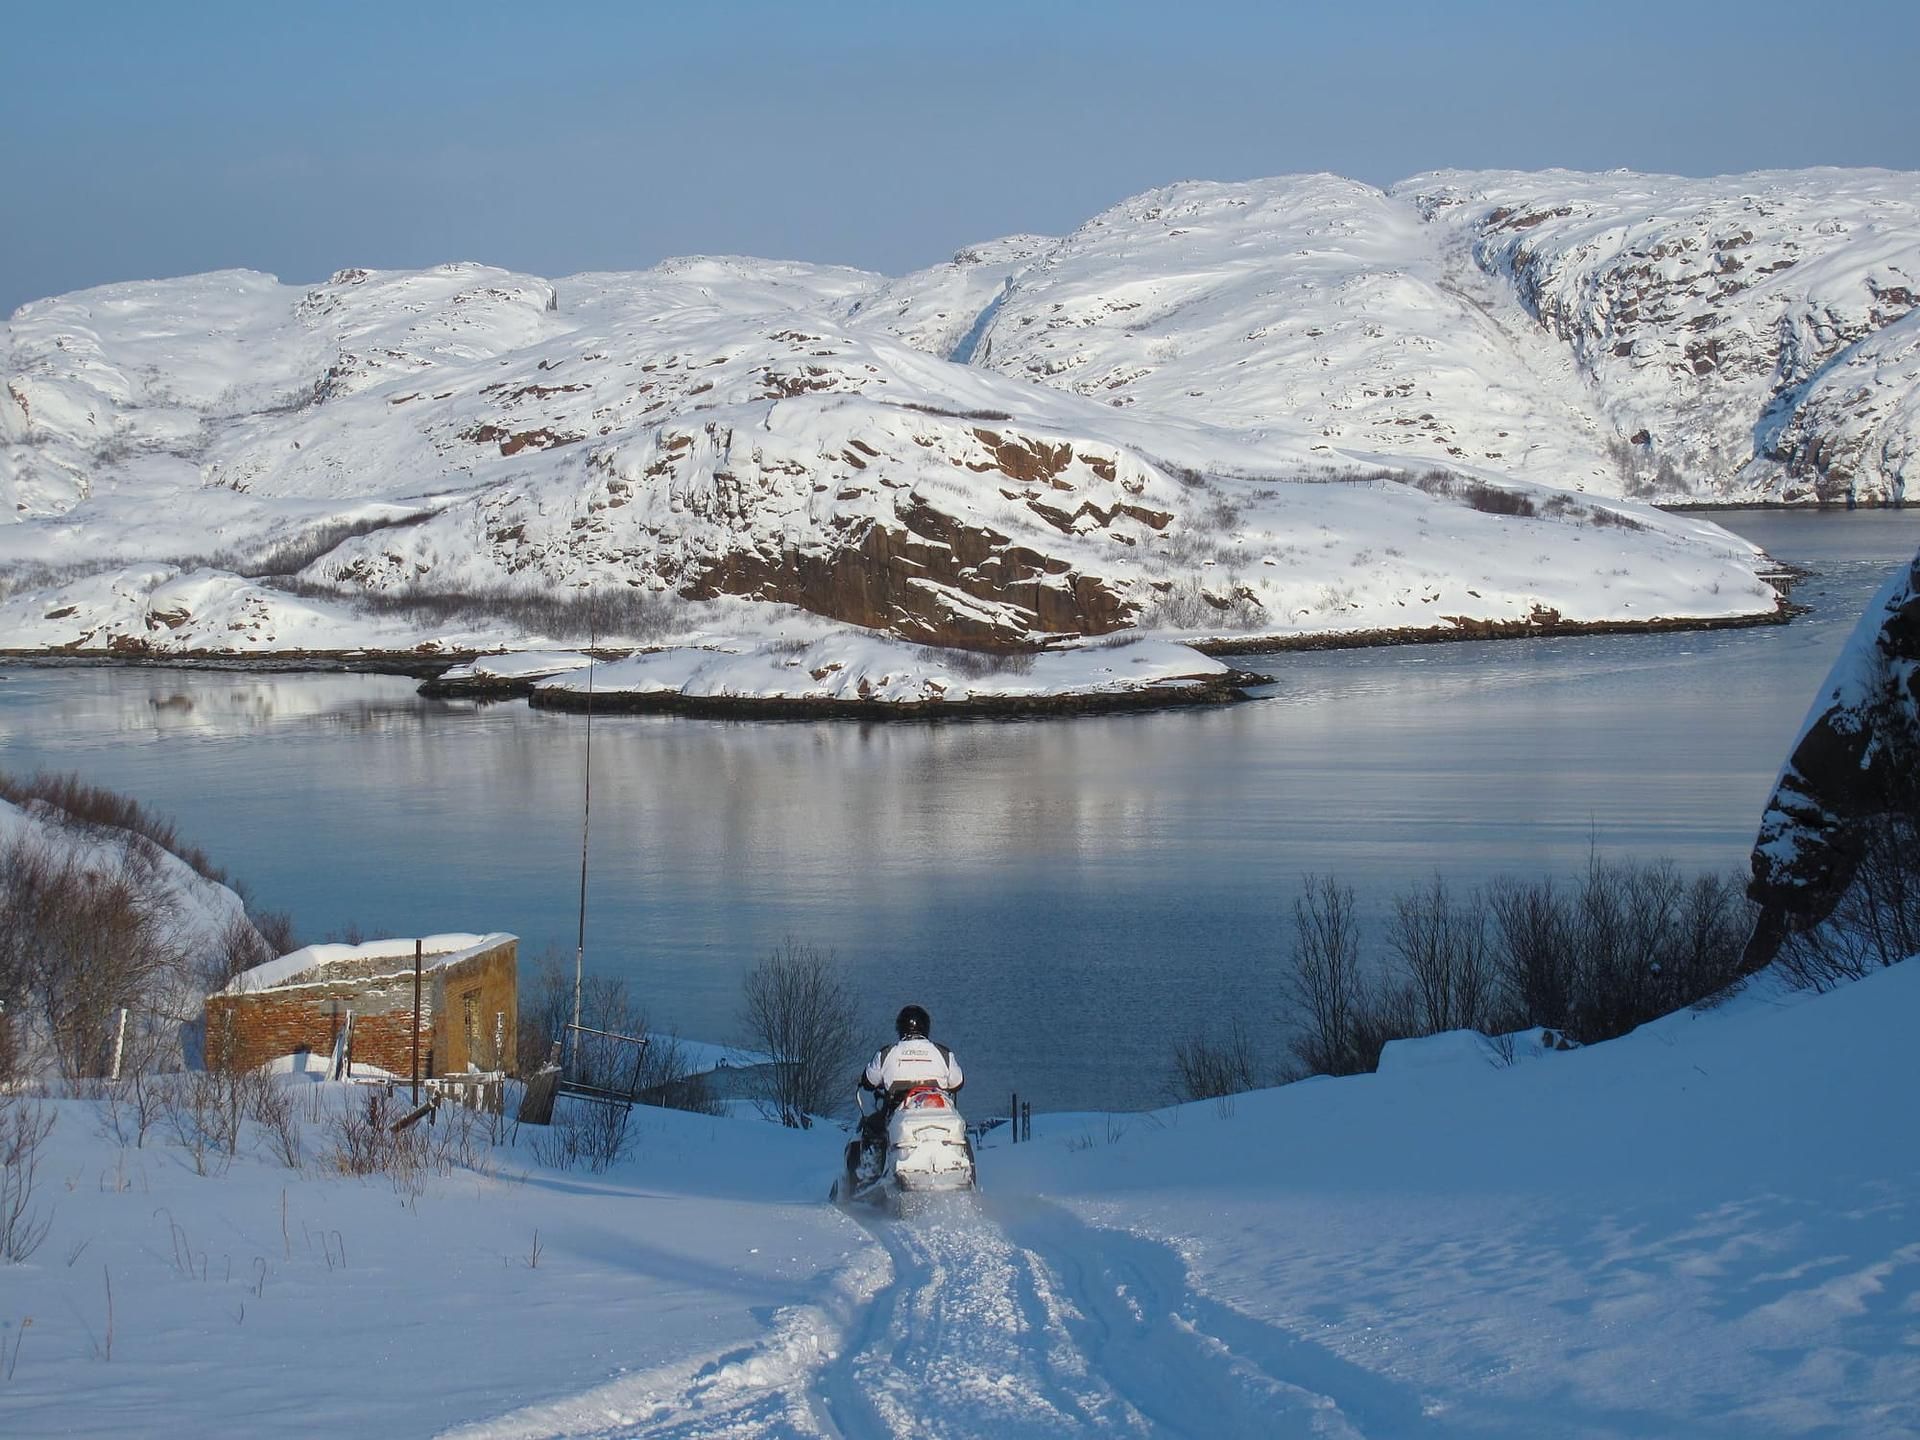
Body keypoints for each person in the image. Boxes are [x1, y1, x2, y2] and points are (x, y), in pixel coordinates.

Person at [846, 1005, 963, 1180]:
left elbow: (869, 1081)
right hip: (938, 1108)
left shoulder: (887, 1053)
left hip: (900, 1107)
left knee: (872, 1129)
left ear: (900, 1028)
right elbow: (957, 1082)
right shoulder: (943, 1053)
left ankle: (870, 1175)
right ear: (926, 1027)